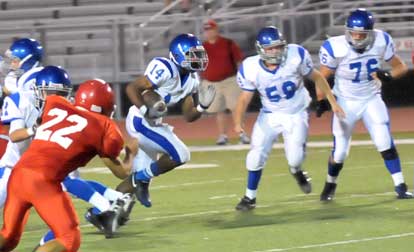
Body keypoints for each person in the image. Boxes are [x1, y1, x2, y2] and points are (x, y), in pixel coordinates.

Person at [0, 66, 135, 252]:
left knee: (8, 237)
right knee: (69, 238)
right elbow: (122, 172)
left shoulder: (55, 105)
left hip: (18, 174)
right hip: (43, 182)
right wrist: (131, 153)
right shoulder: (103, 126)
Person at [234, 26, 345, 211]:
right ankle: (249, 197)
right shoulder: (250, 67)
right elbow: (244, 98)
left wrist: (332, 101)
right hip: (269, 115)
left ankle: (296, 171)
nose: (275, 52)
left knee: (295, 159)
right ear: (261, 49)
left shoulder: (296, 55)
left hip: (296, 113)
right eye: (270, 48)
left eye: (278, 47)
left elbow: (317, 77)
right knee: (255, 155)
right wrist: (238, 122)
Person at [316, 8, 411, 201]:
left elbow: (401, 66)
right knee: (340, 152)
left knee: (384, 140)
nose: (357, 37)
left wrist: (389, 75)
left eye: (362, 34)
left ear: (371, 32)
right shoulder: (335, 47)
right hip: (345, 101)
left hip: (371, 97)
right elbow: (320, 77)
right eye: (354, 33)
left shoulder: (381, 40)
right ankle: (330, 183)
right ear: (347, 30)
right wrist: (323, 100)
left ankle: (400, 186)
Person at [116, 33, 215, 208]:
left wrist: (202, 107)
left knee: (133, 186)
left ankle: (104, 213)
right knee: (181, 154)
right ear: (178, 55)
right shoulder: (165, 67)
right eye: (193, 54)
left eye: (199, 54)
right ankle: (140, 179)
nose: (198, 59)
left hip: (153, 123)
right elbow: (132, 88)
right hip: (141, 120)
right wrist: (146, 109)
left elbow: (188, 115)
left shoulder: (192, 79)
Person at [202, 19, 249, 145]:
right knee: (219, 110)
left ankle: (242, 133)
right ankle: (223, 135)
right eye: (206, 30)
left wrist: (242, 77)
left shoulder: (228, 43)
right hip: (211, 82)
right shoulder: (202, 47)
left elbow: (239, 61)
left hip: (229, 80)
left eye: (210, 29)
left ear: (216, 30)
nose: (209, 32)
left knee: (235, 107)